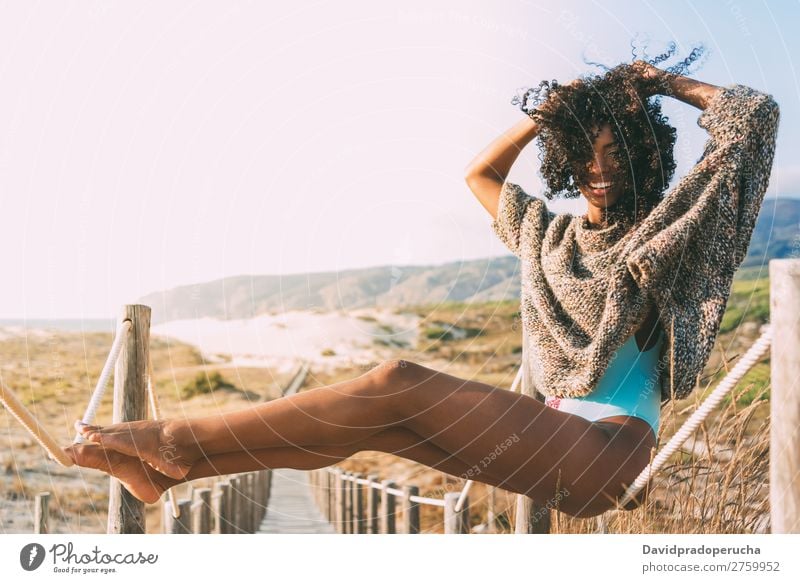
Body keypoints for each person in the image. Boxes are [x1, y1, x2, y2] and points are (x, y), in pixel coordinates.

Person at [63, 58, 780, 520]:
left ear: (644, 158)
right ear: (566, 160)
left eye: (616, 156)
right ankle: (175, 472)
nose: (600, 172)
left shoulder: (667, 239)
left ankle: (172, 438)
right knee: (373, 421)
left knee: (395, 378)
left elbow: (754, 116)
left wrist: (654, 83)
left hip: (611, 457)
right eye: (584, 155)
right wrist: (546, 113)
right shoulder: (550, 238)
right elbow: (481, 176)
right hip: (553, 443)